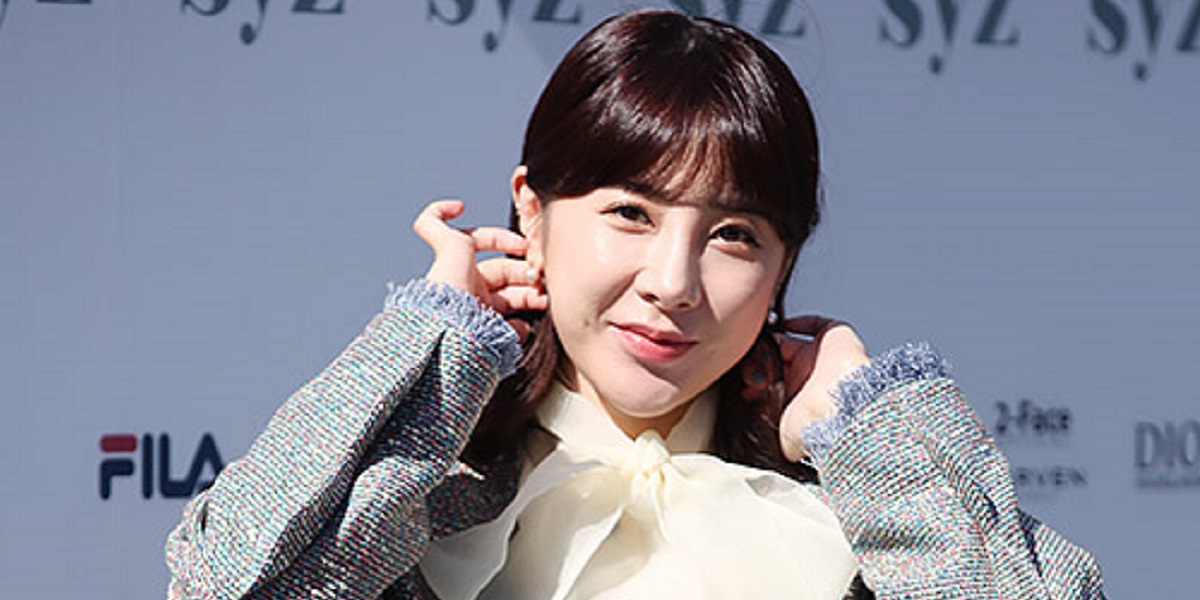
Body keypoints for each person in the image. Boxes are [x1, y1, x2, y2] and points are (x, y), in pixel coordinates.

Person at [165, 9, 1106, 600]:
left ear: (784, 264)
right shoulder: (423, 493)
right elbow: (230, 586)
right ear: (532, 210)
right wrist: (429, 352)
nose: (672, 282)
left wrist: (871, 431)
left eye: (734, 234)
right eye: (630, 214)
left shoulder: (872, 516)